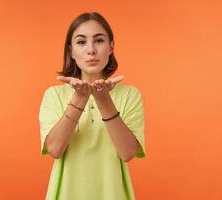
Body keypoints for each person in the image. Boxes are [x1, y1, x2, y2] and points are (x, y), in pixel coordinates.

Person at [38, 12, 146, 200]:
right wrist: (80, 98)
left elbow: (128, 153)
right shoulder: (54, 95)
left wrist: (104, 100)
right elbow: (55, 149)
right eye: (81, 42)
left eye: (99, 41)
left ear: (111, 47)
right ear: (71, 50)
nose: (91, 50)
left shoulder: (130, 94)